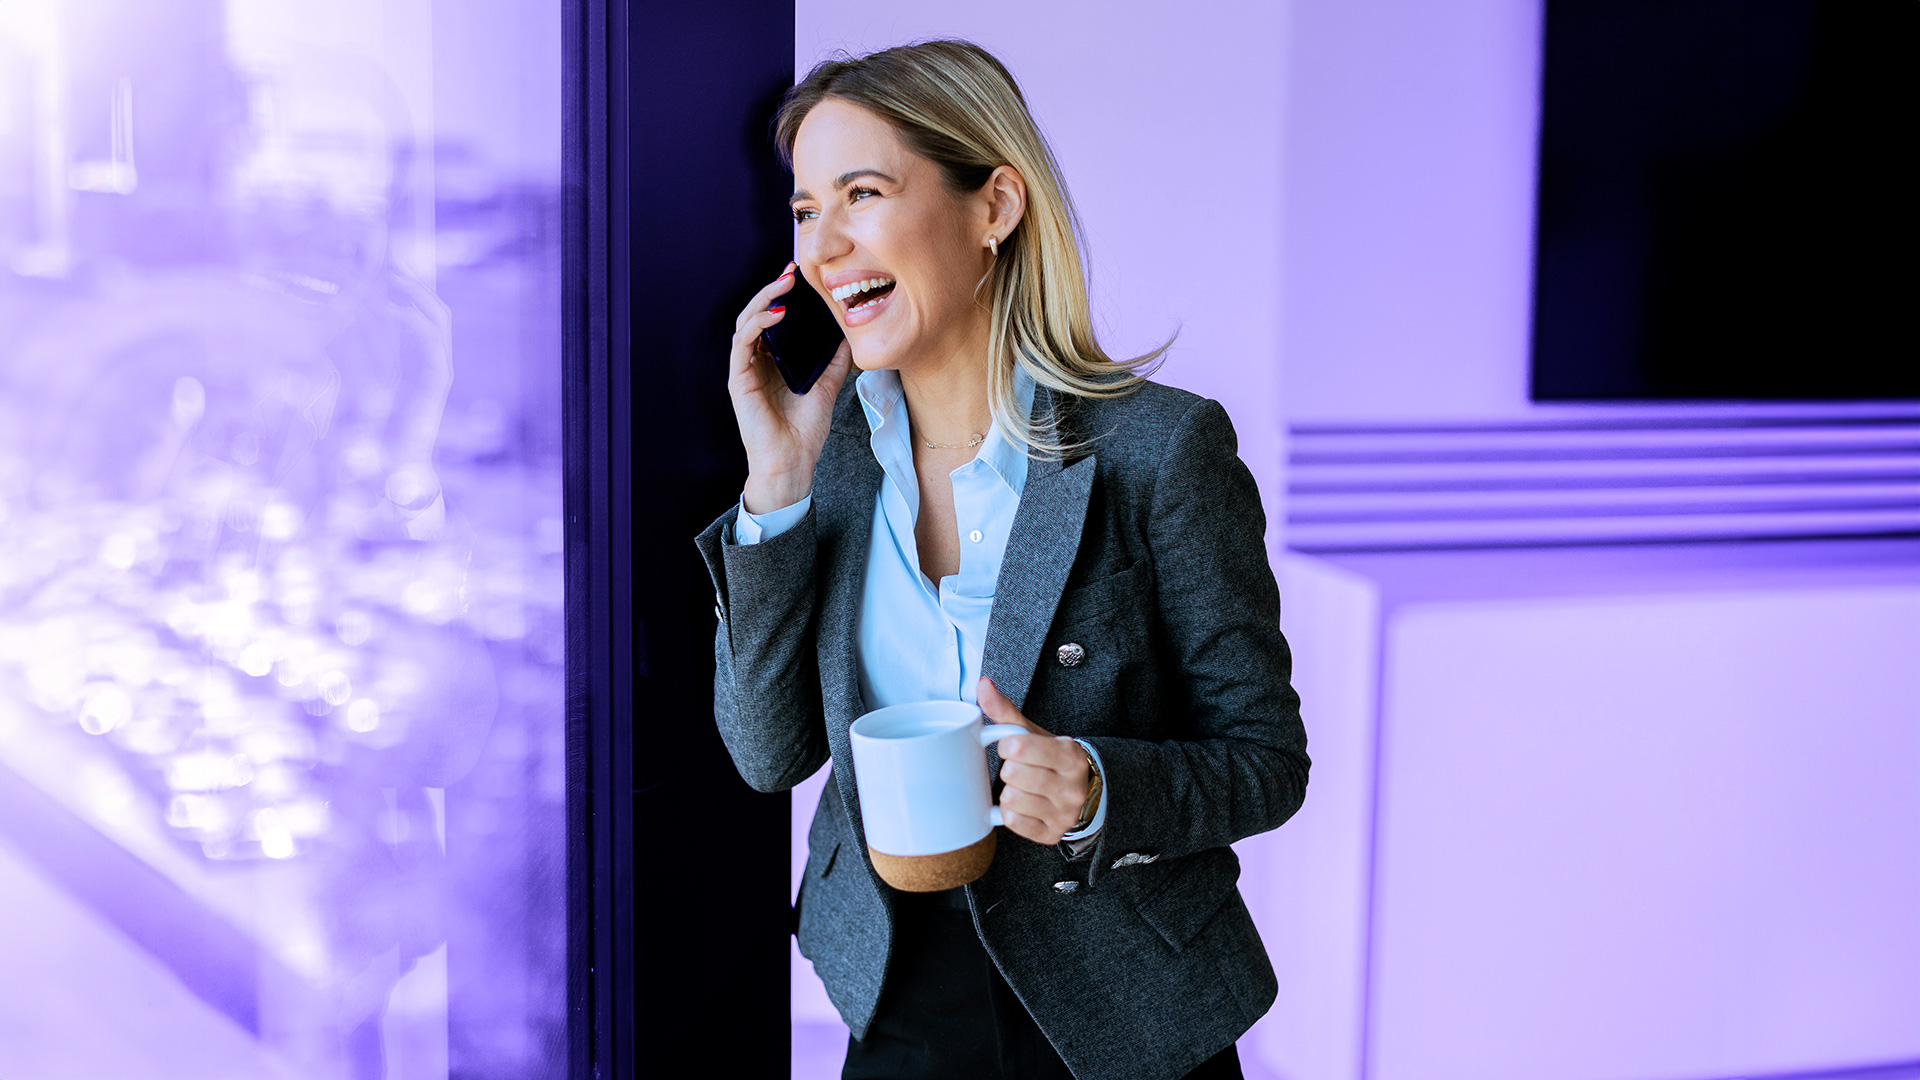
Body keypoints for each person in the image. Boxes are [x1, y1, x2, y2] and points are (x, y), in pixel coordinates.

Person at [694, 39, 1309, 1080]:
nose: (825, 246)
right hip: (897, 1004)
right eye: (805, 210)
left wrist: (1099, 790)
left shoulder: (1160, 451)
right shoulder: (830, 465)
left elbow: (1267, 759)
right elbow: (766, 754)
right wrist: (776, 490)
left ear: (995, 208)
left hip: (1126, 1017)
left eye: (863, 193)